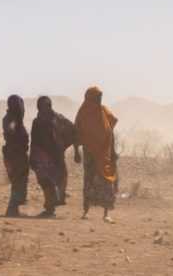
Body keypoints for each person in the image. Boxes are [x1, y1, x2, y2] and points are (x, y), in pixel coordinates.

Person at [74, 86, 118, 223]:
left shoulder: (104, 112)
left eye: (100, 97)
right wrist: (76, 152)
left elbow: (111, 133)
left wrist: (114, 151)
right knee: (89, 181)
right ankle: (85, 211)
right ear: (90, 98)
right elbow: (76, 134)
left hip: (105, 153)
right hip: (90, 154)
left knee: (106, 182)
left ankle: (106, 213)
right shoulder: (83, 113)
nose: (99, 100)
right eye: (97, 97)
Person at [30, 96, 66, 218]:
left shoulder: (57, 119)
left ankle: (51, 209)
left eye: (45, 105)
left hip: (54, 157)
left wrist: (64, 145)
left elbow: (72, 130)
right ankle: (50, 207)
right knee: (45, 182)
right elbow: (34, 140)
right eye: (41, 106)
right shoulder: (38, 121)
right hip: (42, 156)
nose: (43, 108)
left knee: (50, 181)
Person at [2, 95, 30, 217]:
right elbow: (10, 130)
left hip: (16, 154)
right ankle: (12, 209)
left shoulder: (14, 118)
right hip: (15, 154)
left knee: (19, 180)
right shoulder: (11, 119)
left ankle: (14, 208)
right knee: (17, 180)